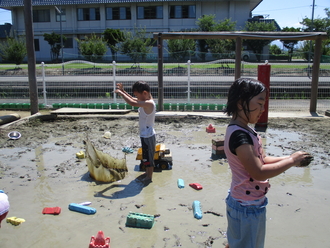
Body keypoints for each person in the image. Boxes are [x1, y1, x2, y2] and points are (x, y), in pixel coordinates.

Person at [223, 78, 313, 248]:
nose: (263, 109)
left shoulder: (245, 129)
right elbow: (258, 172)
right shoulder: (240, 137)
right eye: (260, 103)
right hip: (246, 207)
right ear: (241, 103)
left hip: (245, 203)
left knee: (240, 242)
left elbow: (262, 159)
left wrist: (290, 159)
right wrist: (292, 161)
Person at [115, 81, 156, 184]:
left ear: (145, 93)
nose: (136, 97)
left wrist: (122, 94)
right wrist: (123, 91)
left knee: (148, 157)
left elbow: (133, 103)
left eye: (138, 95)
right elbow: (133, 100)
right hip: (145, 134)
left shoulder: (149, 103)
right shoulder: (146, 100)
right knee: (145, 156)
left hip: (148, 135)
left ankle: (149, 177)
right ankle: (147, 173)